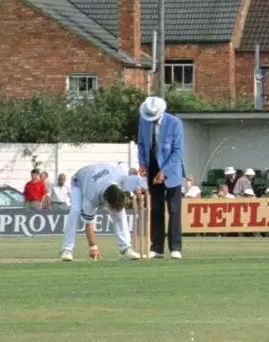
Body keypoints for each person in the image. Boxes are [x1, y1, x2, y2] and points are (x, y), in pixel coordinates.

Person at [58, 162, 146, 261]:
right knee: (75, 211)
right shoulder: (91, 198)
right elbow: (89, 223)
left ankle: (125, 248)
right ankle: (67, 249)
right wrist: (93, 247)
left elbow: (122, 164)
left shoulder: (119, 174)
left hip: (101, 174)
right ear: (106, 203)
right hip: (79, 181)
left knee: (120, 212)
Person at [137, 95, 187, 260]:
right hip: (152, 169)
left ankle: (176, 247)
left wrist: (164, 171)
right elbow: (141, 145)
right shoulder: (144, 122)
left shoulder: (175, 123)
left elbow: (178, 152)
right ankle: (157, 247)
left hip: (171, 171)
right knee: (156, 209)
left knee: (174, 210)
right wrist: (142, 163)